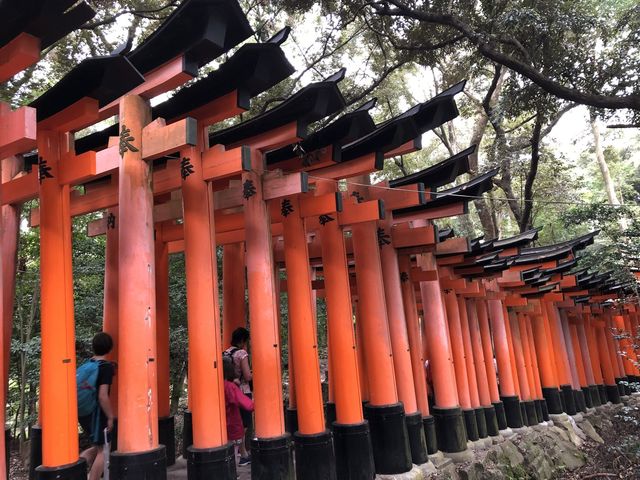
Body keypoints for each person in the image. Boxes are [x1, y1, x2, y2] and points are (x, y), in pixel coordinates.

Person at [78, 332, 115, 480]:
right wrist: (110, 416)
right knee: (105, 449)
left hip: (83, 413)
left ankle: (77, 468)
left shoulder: (88, 364)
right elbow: (102, 395)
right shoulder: (105, 367)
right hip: (96, 413)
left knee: (98, 446)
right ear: (110, 348)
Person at [223, 327, 253, 465]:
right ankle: (243, 454)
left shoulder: (226, 352)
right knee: (244, 424)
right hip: (242, 390)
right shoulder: (241, 353)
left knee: (235, 422)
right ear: (242, 341)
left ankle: (242, 453)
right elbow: (247, 375)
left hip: (228, 389)